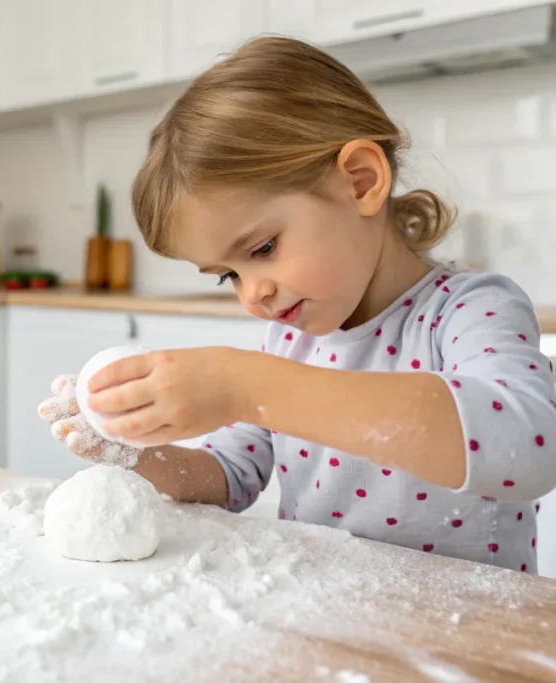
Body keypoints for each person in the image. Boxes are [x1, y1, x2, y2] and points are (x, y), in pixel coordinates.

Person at [37, 35, 556, 574]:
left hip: (470, 636)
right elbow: (230, 476)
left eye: (262, 248)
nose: (252, 292)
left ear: (361, 182)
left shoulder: (469, 311)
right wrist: (138, 456)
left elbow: (528, 445)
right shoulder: (292, 338)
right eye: (228, 276)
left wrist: (245, 386)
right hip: (329, 615)